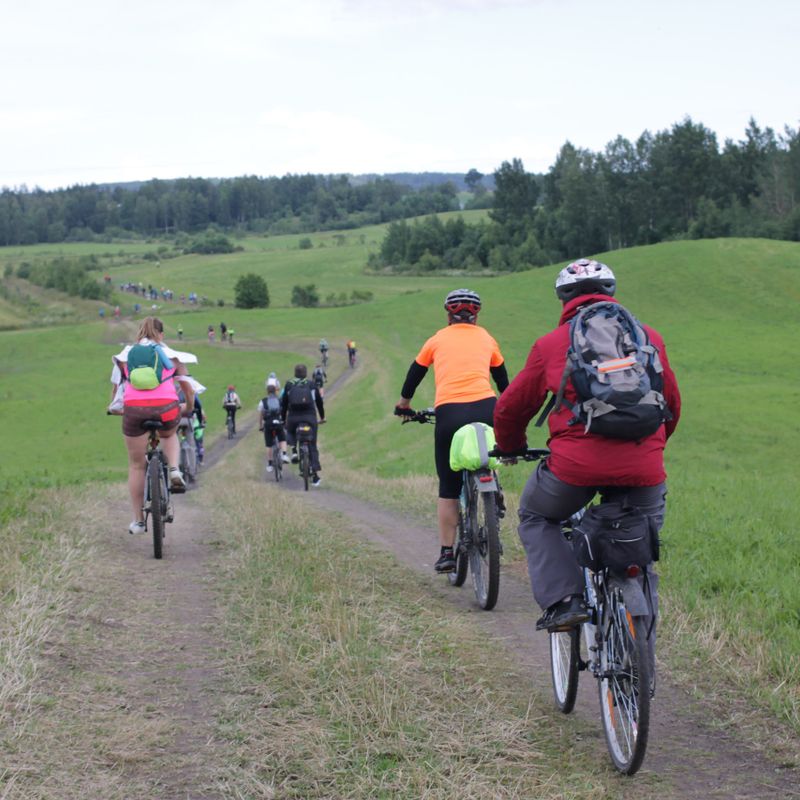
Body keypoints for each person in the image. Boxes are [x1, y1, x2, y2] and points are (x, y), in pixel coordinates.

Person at [493, 259, 681, 631]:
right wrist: (651, 449)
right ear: (609, 291)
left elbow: (511, 409)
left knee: (537, 516)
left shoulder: (551, 344)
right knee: (638, 550)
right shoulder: (648, 337)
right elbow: (671, 404)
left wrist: (511, 446)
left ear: (564, 299)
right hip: (644, 467)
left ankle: (566, 601)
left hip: (574, 469)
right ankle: (640, 648)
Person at [395, 289, 508, 573]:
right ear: (476, 315)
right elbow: (503, 379)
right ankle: (494, 491)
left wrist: (404, 404)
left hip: (450, 412)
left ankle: (447, 552)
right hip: (487, 407)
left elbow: (415, 372)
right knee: (489, 451)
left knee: (448, 485)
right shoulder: (487, 338)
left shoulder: (437, 339)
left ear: (449, 314)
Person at [110, 317, 196, 535]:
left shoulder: (125, 356)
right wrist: (187, 407)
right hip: (166, 408)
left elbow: (116, 393)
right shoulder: (173, 356)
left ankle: (138, 521)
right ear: (161, 334)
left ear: (139, 333)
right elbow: (189, 389)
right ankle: (175, 470)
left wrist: (114, 408)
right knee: (169, 435)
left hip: (134, 410)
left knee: (137, 465)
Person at [282, 364, 325, 487]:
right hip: (310, 417)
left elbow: (284, 403)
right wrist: (322, 417)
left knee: (289, 431)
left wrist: (283, 418)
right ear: (306, 373)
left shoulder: (289, 384)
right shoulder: (311, 384)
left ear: (295, 373)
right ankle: (315, 476)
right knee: (312, 444)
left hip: (293, 417)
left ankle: (294, 450)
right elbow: (319, 402)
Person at [258, 384, 290, 471]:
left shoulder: (263, 401)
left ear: (267, 392)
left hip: (268, 424)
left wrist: (261, 426)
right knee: (282, 439)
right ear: (275, 391)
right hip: (278, 422)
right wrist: (285, 422)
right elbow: (285, 412)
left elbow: (261, 415)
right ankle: (284, 454)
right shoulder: (279, 400)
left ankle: (269, 464)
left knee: (269, 445)